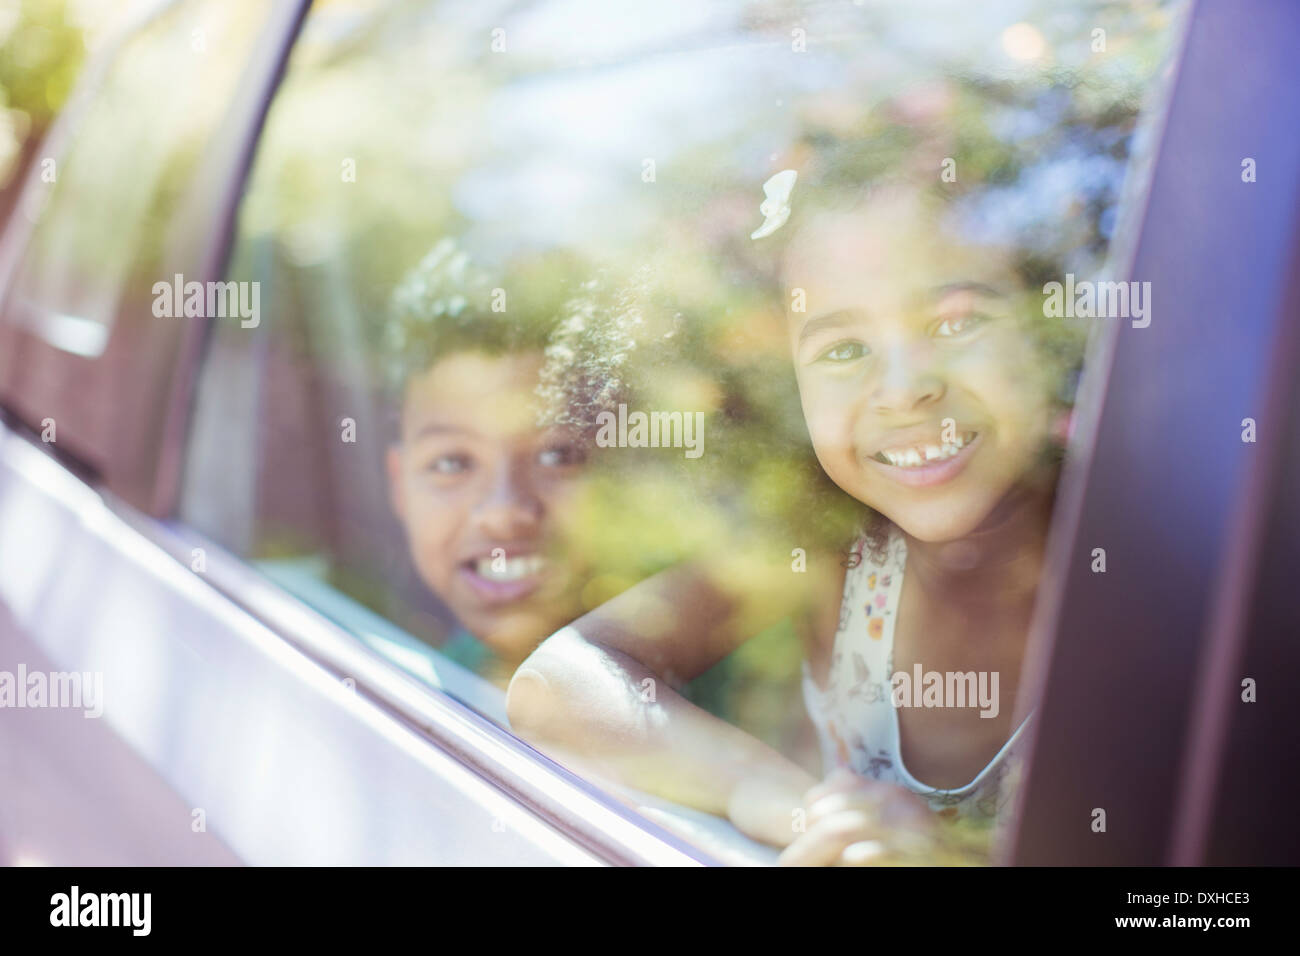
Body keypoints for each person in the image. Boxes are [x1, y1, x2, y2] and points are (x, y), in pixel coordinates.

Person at [505, 166, 1083, 864]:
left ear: (1046, 334)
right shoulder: (833, 554)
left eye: (956, 321)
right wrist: (794, 805)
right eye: (843, 349)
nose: (904, 391)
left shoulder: (1153, 570)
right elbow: (559, 682)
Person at [383, 238, 592, 681]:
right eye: (452, 463)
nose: (502, 513)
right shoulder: (453, 672)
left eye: (557, 455)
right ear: (400, 486)